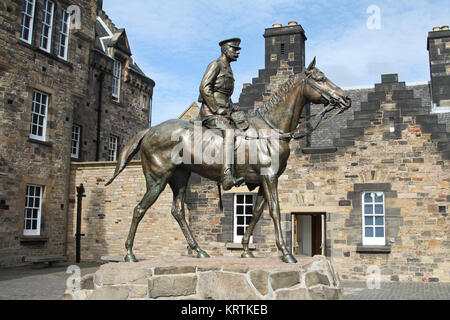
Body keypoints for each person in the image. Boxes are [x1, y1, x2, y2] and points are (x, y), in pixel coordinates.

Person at [197, 38, 245, 191]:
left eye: (238, 50)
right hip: (210, 113)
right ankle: (226, 175)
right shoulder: (215, 65)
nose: (237, 52)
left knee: (245, 126)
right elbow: (204, 88)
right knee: (229, 132)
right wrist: (216, 109)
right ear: (225, 50)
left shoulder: (228, 69)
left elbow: (225, 96)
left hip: (225, 111)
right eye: (234, 49)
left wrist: (234, 108)